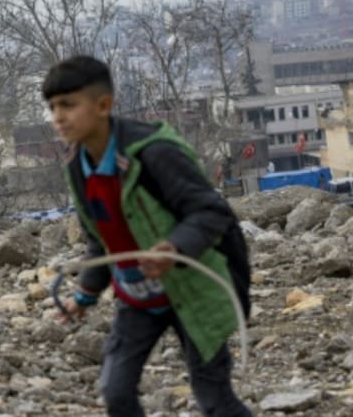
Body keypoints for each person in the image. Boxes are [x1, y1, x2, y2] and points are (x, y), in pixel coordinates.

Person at [45, 56, 251, 417]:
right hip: (137, 299)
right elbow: (101, 239)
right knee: (116, 392)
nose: (58, 117)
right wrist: (85, 295)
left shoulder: (154, 154)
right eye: (52, 107)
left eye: (68, 105)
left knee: (214, 398)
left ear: (103, 105)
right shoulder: (78, 166)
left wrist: (174, 248)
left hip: (191, 290)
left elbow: (211, 211)